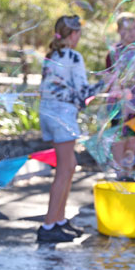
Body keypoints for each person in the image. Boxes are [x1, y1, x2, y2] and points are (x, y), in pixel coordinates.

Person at [37, 15, 103, 243]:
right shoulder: (74, 57)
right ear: (73, 35)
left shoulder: (52, 56)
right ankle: (48, 226)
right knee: (64, 170)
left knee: (70, 166)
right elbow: (84, 94)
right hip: (62, 115)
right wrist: (108, 81)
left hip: (49, 114)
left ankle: (59, 220)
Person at [105, 13, 135, 180]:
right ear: (119, 31)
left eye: (134, 28)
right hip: (118, 104)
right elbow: (110, 80)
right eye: (127, 29)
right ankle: (119, 172)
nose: (132, 32)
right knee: (119, 136)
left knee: (133, 138)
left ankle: (130, 172)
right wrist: (120, 90)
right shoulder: (114, 53)